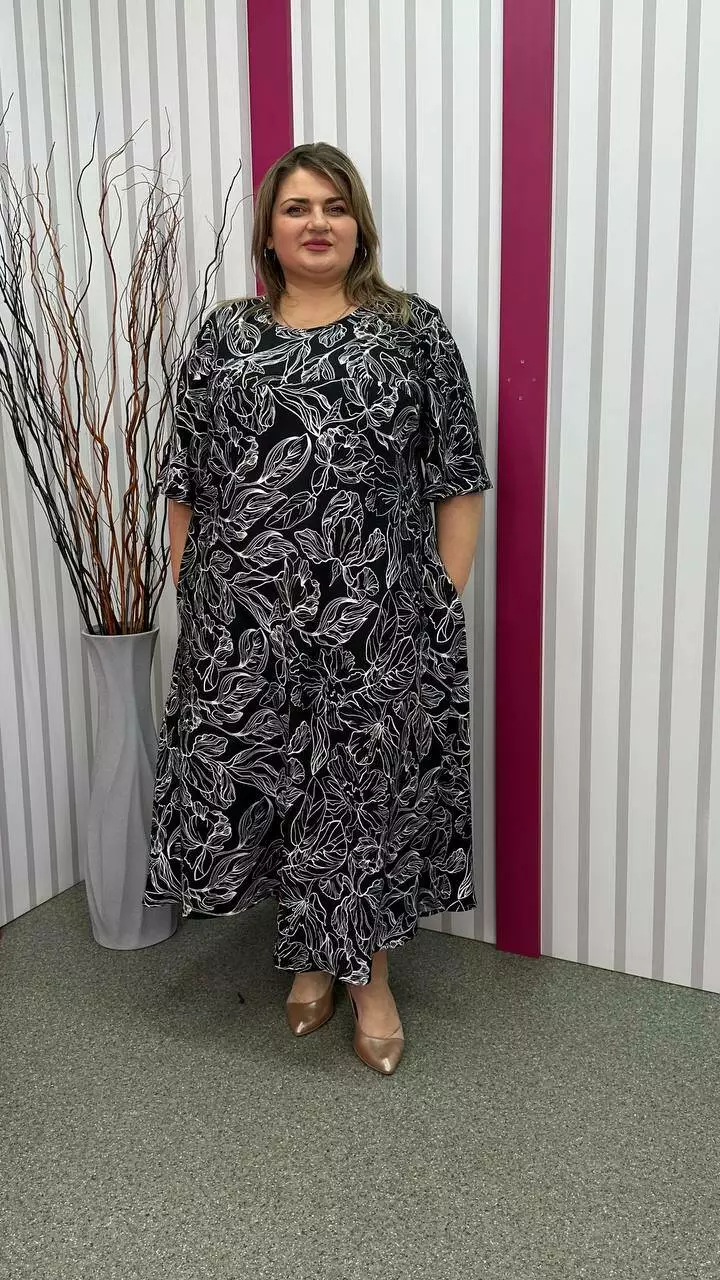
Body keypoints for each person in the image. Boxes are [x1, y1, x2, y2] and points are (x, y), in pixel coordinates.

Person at [143, 142, 493, 1076]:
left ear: (359, 226)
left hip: (376, 616)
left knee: (359, 795)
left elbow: (457, 477)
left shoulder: (411, 332)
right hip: (244, 620)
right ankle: (308, 957)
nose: (317, 223)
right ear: (269, 229)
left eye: (335, 207)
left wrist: (437, 597)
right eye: (297, 207)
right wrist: (197, 599)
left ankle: (369, 978)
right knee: (282, 787)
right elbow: (187, 480)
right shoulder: (225, 336)